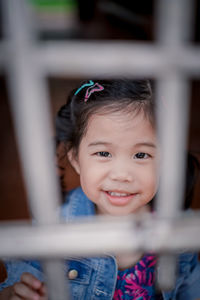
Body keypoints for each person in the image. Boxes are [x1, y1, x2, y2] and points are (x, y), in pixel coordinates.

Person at [0, 79, 200, 300]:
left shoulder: (180, 228)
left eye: (141, 155)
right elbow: (15, 286)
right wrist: (13, 294)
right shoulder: (52, 225)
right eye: (103, 153)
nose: (121, 174)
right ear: (75, 157)